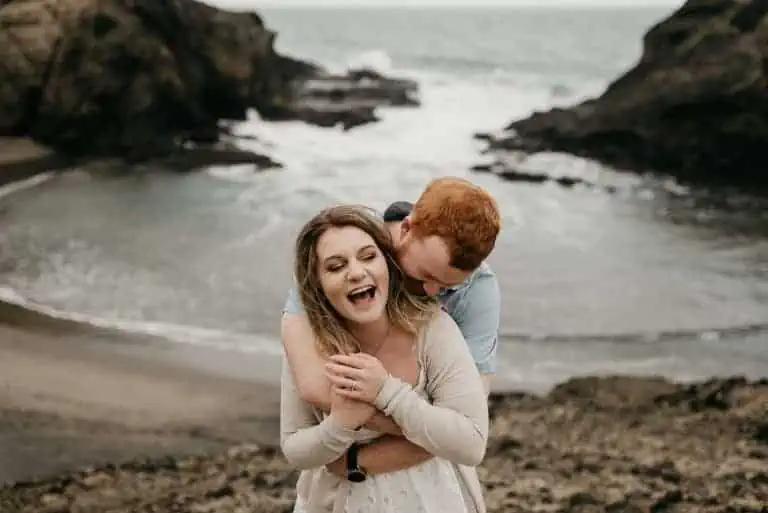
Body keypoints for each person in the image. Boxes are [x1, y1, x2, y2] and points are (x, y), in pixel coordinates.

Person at [281, 177, 502, 477]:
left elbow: (469, 429)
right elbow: (313, 388)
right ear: (406, 230)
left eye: (447, 286)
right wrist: (421, 424)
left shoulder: (473, 297)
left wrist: (354, 463)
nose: (431, 292)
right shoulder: (349, 246)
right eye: (423, 274)